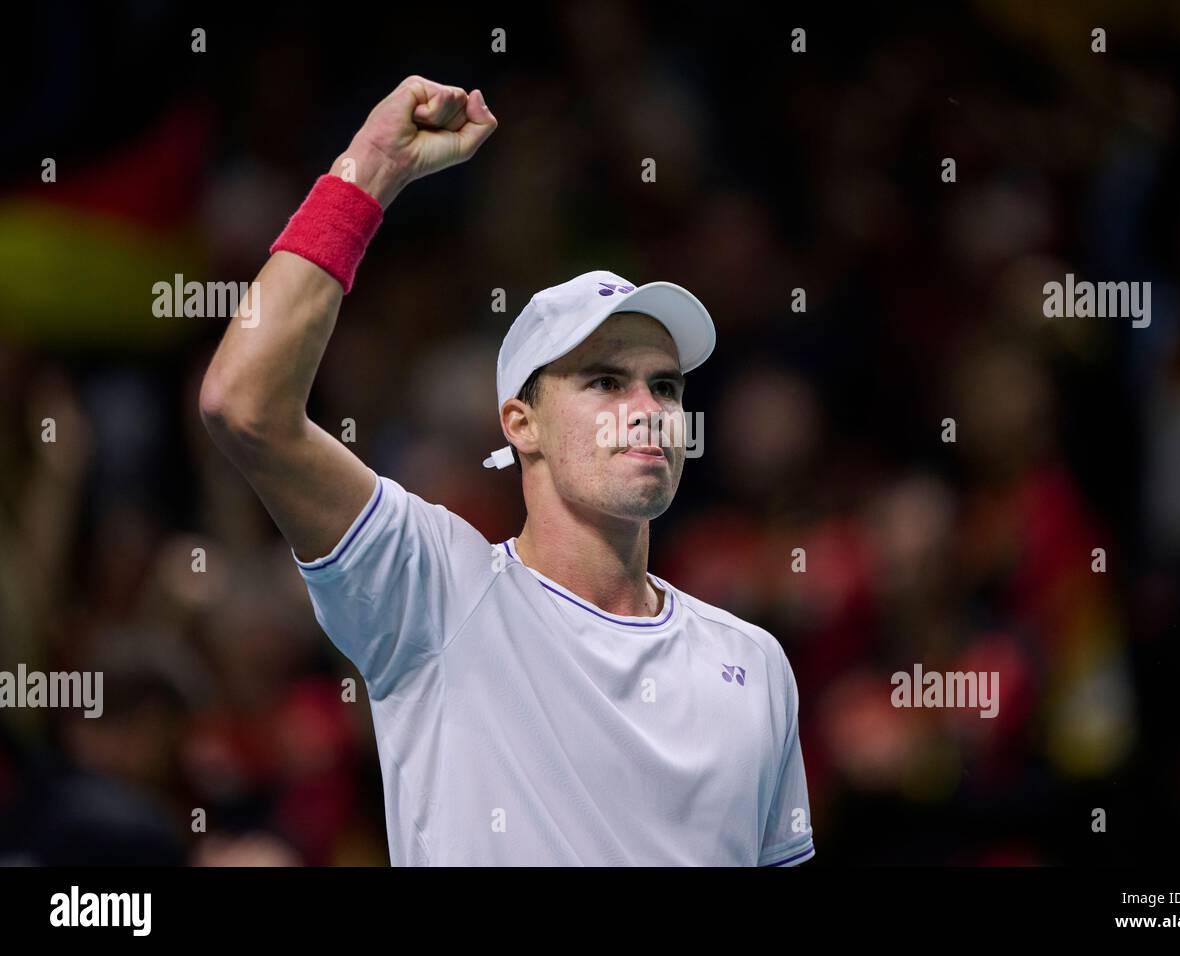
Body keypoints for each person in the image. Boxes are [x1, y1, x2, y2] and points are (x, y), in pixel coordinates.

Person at [199, 76, 813, 865]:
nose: (647, 407)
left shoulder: (755, 664)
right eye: (604, 381)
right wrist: (372, 168)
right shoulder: (434, 592)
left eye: (665, 385)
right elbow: (243, 404)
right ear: (521, 425)